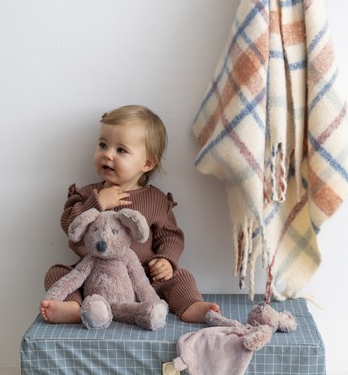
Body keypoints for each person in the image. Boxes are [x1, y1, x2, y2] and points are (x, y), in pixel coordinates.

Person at [40, 105, 220, 324]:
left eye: (121, 150)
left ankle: (190, 306)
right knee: (57, 272)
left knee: (180, 277)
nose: (107, 154)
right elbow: (70, 226)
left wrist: (166, 259)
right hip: (94, 275)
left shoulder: (155, 199)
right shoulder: (87, 194)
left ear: (147, 163)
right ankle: (75, 308)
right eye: (103, 145)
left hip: (142, 278)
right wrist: (97, 202)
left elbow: (171, 235)